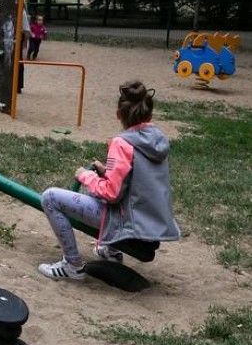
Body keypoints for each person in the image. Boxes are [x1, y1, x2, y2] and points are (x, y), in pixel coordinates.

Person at [37, 80, 181, 280]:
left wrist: (85, 176)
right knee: (96, 188)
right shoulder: (157, 140)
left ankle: (72, 265)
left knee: (50, 198)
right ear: (150, 114)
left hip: (129, 223)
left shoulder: (122, 143)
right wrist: (107, 172)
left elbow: (112, 194)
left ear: (118, 115)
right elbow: (138, 180)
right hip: (150, 223)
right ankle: (110, 251)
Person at [17, 6, 31, 93]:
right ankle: (17, 85)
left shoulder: (22, 11)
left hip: (18, 35)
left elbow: (26, 30)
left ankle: (18, 85)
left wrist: (25, 42)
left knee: (18, 61)